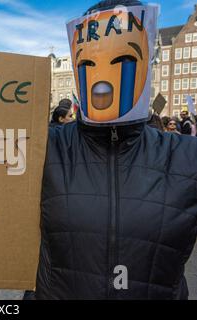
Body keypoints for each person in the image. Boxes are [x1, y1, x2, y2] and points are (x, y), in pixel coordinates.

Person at [36, 0, 197, 299]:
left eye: (122, 60)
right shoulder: (45, 148)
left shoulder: (187, 158)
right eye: (87, 63)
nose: (102, 84)